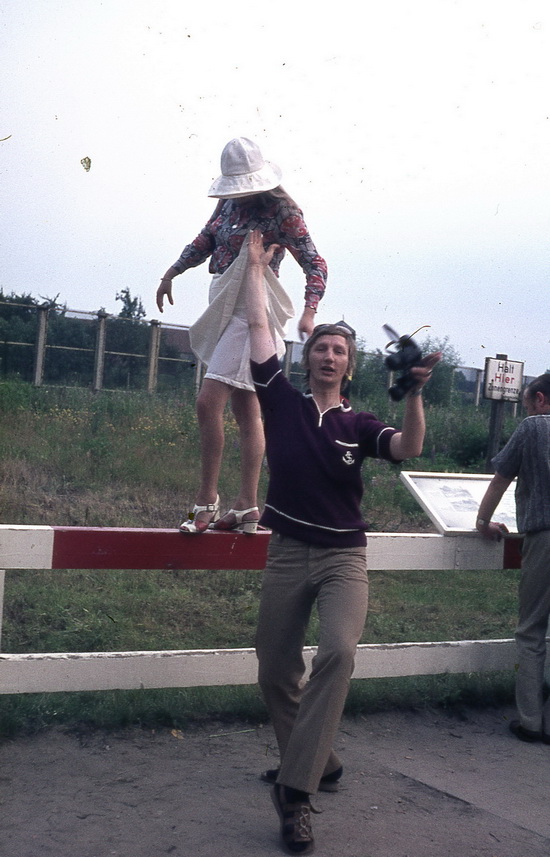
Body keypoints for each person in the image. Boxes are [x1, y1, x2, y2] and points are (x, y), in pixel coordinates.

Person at [244, 229, 440, 854]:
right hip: (286, 552)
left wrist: (412, 394)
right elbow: (256, 329)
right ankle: (320, 759)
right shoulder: (282, 403)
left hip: (342, 559)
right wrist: (254, 268)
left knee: (338, 653)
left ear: (350, 366)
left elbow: (408, 448)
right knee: (275, 665)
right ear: (308, 359)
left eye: (339, 351)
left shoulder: (360, 422)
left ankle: (295, 795)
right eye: (321, 347)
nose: (328, 356)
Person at [156, 137, 327, 534]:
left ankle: (205, 503)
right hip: (223, 300)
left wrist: (309, 310)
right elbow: (206, 238)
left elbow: (314, 262)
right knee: (247, 410)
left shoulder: (284, 210)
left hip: (254, 308)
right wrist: (172, 272)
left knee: (208, 401)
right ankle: (248, 506)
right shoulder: (228, 204)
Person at [477, 373, 550, 745]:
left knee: (532, 630)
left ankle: (531, 721)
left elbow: (500, 478)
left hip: (544, 538)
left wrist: (482, 519)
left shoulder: (534, 427)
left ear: (539, 399)